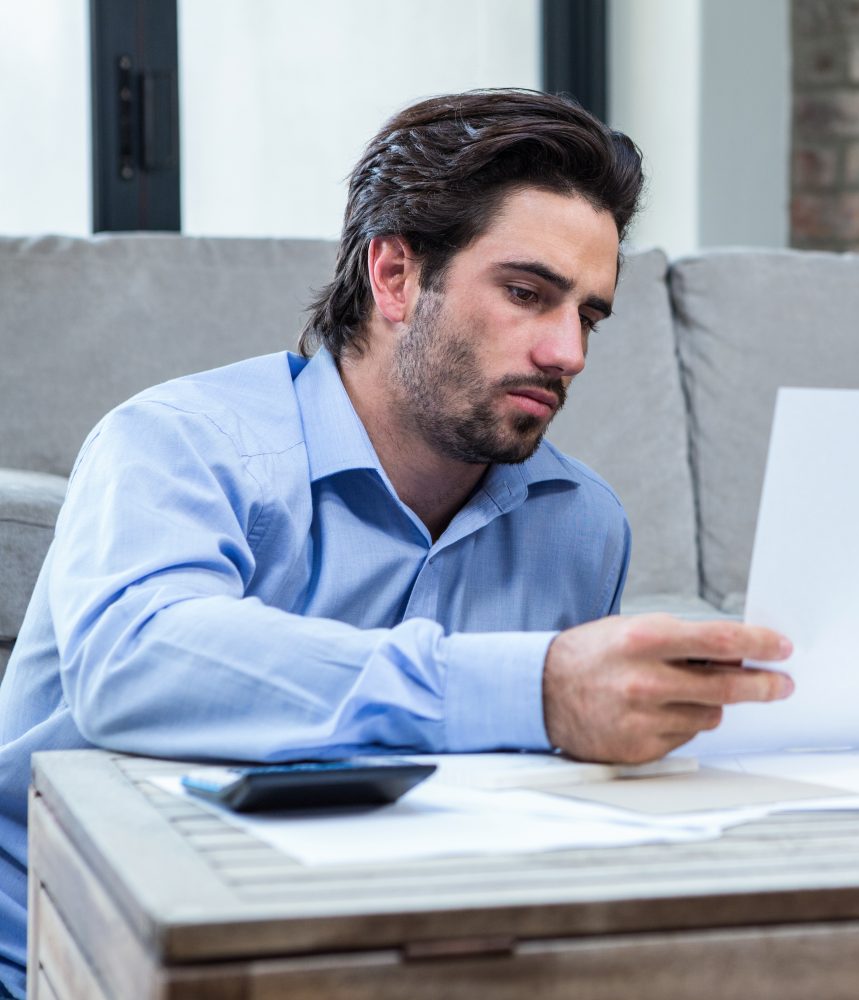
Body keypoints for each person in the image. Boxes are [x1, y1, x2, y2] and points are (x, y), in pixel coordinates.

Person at [0, 90, 792, 997]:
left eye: (591, 316)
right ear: (395, 277)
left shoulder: (582, 526)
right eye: (528, 293)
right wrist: (533, 688)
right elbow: (135, 662)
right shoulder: (179, 445)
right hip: (72, 959)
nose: (568, 351)